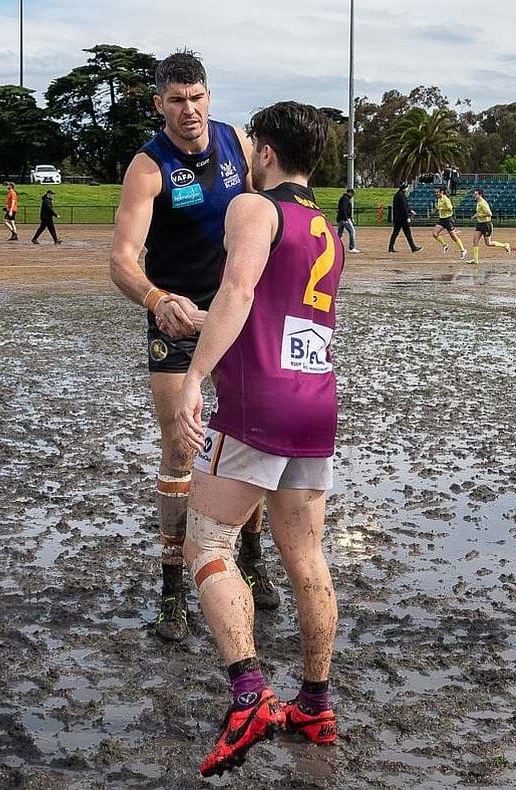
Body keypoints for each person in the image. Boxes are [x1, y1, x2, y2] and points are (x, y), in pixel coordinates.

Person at [171, 100, 343, 777]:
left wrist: (193, 374)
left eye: (247, 145)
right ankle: (317, 701)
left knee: (206, 542)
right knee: (305, 554)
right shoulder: (323, 221)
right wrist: (203, 318)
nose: (241, 154)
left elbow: (240, 293)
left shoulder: (253, 207)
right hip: (315, 402)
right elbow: (269, 307)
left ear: (266, 153)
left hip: (258, 405)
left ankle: (249, 696)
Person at [109, 50, 280, 643]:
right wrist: (158, 300)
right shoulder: (148, 169)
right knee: (181, 450)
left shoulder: (235, 141)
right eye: (177, 100)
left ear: (210, 96)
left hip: (236, 314)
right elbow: (121, 262)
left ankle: (252, 562)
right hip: (177, 321)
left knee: (249, 438)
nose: (190, 110)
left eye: (197, 97)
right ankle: (171, 590)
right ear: (159, 105)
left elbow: (270, 212)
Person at [468, 188, 511, 264]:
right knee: (475, 241)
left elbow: (490, 213)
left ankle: (504, 245)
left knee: (488, 243)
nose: (474, 195)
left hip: (486, 225)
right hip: (480, 224)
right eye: (474, 194)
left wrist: (480, 215)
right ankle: (475, 259)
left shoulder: (483, 203)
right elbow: (479, 213)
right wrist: (474, 216)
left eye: (476, 194)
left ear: (480, 195)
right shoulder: (478, 202)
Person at [429, 186, 466, 258]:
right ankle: (445, 244)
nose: (436, 193)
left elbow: (450, 208)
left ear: (441, 192)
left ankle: (463, 250)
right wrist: (436, 211)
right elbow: (439, 208)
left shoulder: (446, 199)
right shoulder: (439, 199)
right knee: (435, 234)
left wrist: (441, 208)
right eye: (435, 192)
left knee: (453, 237)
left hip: (448, 219)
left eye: (437, 192)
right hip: (442, 220)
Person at [388, 183, 420, 253]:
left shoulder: (397, 195)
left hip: (397, 218)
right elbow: (404, 207)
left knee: (395, 233)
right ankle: (413, 247)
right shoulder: (402, 196)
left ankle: (390, 247)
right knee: (408, 233)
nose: (407, 188)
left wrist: (410, 210)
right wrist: (407, 217)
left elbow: (404, 207)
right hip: (402, 219)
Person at [335, 188, 360, 253]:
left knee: (339, 234)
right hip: (344, 219)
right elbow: (344, 209)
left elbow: (341, 209)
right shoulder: (345, 199)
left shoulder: (343, 198)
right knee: (352, 231)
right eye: (353, 194)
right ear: (350, 193)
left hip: (340, 218)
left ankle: (334, 245)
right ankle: (351, 247)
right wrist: (346, 219)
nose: (353, 195)